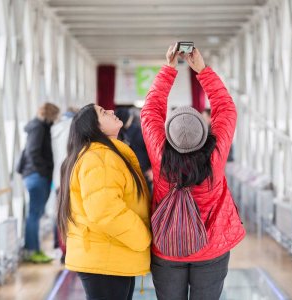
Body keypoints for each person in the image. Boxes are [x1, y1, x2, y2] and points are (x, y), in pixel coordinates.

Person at [140, 45, 245, 300]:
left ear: (168, 135)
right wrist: (203, 70)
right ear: (204, 132)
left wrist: (169, 69)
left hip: (167, 248)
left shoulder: (160, 155)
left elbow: (150, 110)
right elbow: (226, 109)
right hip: (211, 249)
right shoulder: (215, 156)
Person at [57, 104, 151, 300]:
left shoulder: (104, 154)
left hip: (111, 254)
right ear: (95, 127)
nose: (111, 112)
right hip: (107, 257)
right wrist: (142, 237)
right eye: (103, 113)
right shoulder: (100, 158)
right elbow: (105, 210)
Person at [17, 102, 60, 263]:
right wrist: (43, 171)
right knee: (34, 214)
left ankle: (33, 249)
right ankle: (32, 250)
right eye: (55, 116)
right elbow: (33, 152)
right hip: (36, 176)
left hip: (34, 175)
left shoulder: (38, 127)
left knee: (35, 213)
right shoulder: (39, 128)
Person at [51, 106, 79, 262]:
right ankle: (71, 249)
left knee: (60, 215)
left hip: (57, 179)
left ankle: (61, 249)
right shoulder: (76, 129)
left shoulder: (54, 130)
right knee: (73, 215)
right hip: (71, 176)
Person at [115, 107, 153, 191]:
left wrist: (152, 169)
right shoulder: (123, 133)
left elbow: (151, 151)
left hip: (142, 172)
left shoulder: (138, 132)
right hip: (133, 172)